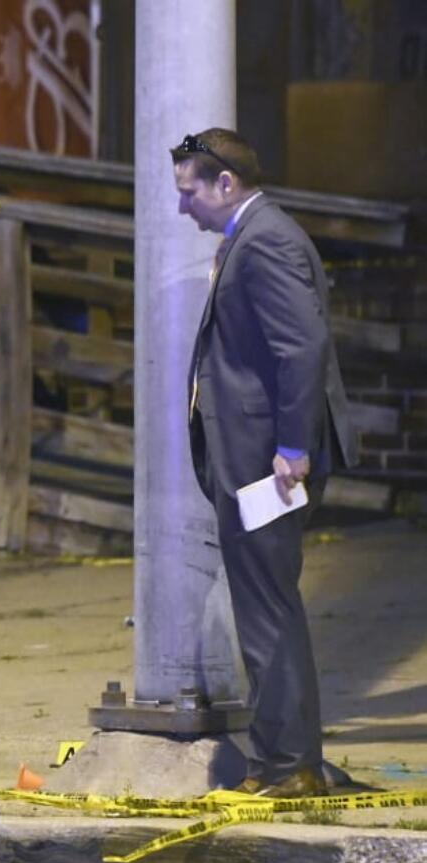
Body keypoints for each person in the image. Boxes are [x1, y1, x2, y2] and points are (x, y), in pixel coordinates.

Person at [171, 129, 356, 798]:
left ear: (226, 184)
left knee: (266, 608)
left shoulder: (267, 240)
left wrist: (291, 447)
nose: (184, 206)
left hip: (265, 462)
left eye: (190, 190)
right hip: (261, 456)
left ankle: (287, 766)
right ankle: (295, 755)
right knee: (273, 602)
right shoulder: (256, 237)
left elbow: (298, 349)